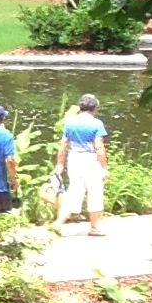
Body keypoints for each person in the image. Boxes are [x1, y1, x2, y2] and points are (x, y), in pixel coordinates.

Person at [56, 94, 108, 230]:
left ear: (80, 107)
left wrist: (60, 164)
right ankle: (94, 227)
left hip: (74, 158)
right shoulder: (97, 124)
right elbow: (99, 147)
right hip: (91, 160)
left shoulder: (70, 122)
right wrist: (104, 167)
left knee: (73, 190)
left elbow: (63, 144)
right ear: (94, 108)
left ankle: (59, 223)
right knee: (95, 191)